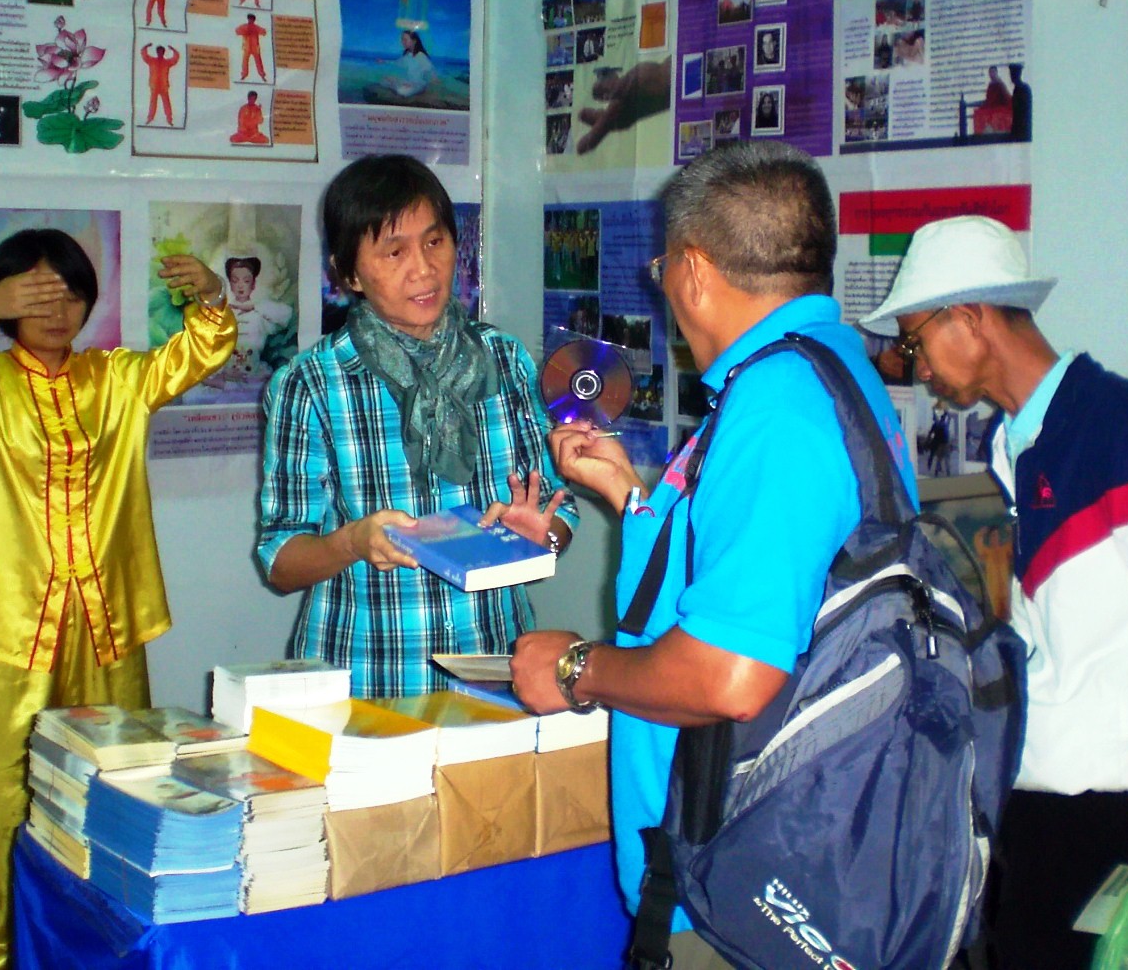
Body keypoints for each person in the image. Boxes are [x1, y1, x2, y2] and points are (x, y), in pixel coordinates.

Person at [511, 142, 916, 968]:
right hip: (764, 864)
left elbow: (730, 675)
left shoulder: (775, 407)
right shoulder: (823, 368)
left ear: (693, 272)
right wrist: (629, 492)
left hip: (736, 891)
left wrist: (576, 669)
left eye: (664, 268)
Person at [860, 214, 1128, 970]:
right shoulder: (1023, 441)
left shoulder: (1117, 426)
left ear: (970, 317)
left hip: (1105, 815)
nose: (918, 368)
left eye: (915, 342)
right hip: (1039, 803)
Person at [0, 229, 235, 969]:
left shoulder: (115, 378)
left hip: (106, 622)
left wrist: (212, 297)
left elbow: (200, 352)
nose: (55, 310)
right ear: (6, 301)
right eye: (34, 295)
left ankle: (100, 942)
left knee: (115, 783)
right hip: (9, 626)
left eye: (69, 294)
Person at [258, 155, 578, 697]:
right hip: (367, 682)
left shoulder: (505, 361)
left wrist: (541, 537)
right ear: (348, 273)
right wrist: (354, 542)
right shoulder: (311, 384)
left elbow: (556, 509)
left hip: (500, 671)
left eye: (434, 242)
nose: (423, 269)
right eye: (394, 252)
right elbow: (281, 561)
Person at [577, 56, 671, 155]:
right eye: (603, 97)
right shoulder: (622, 97)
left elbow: (587, 142)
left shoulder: (623, 92)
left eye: (603, 91)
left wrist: (599, 120)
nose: (607, 97)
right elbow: (601, 127)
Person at [224, 254, 294, 376]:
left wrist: (254, 307)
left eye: (246, 281)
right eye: (235, 281)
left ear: (253, 284)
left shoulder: (260, 314)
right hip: (226, 372)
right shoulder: (223, 312)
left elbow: (287, 315)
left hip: (254, 373)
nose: (240, 285)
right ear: (230, 284)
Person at [379, 29, 436, 98]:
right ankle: (400, 85)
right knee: (384, 81)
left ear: (414, 41)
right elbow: (397, 62)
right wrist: (384, 61)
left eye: (405, 40)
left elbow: (430, 70)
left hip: (418, 85)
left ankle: (401, 86)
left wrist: (433, 79)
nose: (402, 42)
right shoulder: (407, 55)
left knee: (402, 91)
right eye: (402, 40)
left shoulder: (420, 56)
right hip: (408, 82)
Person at [140, 43, 179, 125]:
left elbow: (175, 59)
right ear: (157, 52)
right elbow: (144, 56)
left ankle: (169, 119)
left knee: (166, 103)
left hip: (163, 86)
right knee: (153, 103)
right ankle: (150, 118)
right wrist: (146, 47)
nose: (160, 53)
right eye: (159, 51)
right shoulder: (152, 61)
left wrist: (174, 50)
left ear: (163, 52)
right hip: (154, 85)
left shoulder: (167, 62)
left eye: (161, 52)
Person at [236, 13, 267, 81]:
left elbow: (264, 32)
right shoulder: (244, 26)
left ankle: (262, 75)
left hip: (255, 47)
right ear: (248, 19)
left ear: (254, 20)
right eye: (249, 19)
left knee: (258, 62)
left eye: (252, 19)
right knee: (245, 62)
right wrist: (244, 32)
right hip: (247, 47)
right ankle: (244, 75)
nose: (250, 20)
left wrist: (257, 31)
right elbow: (237, 31)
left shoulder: (256, 27)